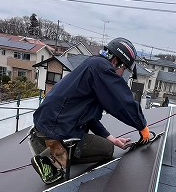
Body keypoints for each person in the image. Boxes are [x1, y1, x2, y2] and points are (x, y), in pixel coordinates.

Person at [29, 37, 151, 184]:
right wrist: (142, 126)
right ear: (116, 61)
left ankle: (56, 154)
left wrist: (112, 138)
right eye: (124, 69)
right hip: (53, 133)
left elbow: (88, 115)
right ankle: (48, 159)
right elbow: (122, 102)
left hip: (44, 130)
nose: (122, 74)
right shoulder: (102, 69)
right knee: (107, 150)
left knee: (107, 144)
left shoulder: (93, 65)